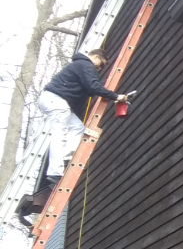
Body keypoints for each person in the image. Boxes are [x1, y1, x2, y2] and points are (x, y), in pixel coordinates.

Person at [37, 48, 127, 189]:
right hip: (56, 100)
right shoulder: (85, 64)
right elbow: (93, 86)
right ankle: (55, 171)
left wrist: (107, 93)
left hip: (56, 100)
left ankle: (66, 158)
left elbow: (91, 87)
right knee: (59, 132)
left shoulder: (80, 65)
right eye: (101, 64)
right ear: (96, 57)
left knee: (77, 128)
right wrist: (116, 96)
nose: (99, 68)